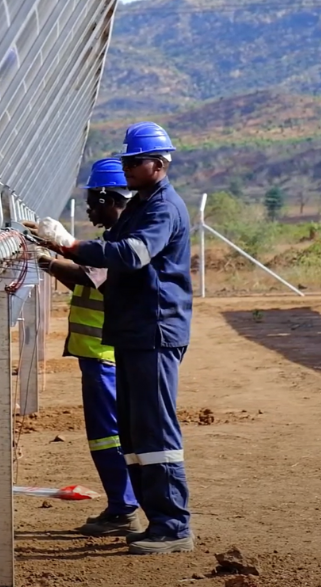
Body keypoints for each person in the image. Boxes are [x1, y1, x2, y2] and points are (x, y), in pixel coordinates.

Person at [42, 122, 194, 555]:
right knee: (134, 431)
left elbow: (130, 256)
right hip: (133, 333)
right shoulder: (144, 205)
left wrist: (70, 246)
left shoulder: (163, 209)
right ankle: (156, 520)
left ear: (159, 164)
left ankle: (173, 524)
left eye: (135, 161)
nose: (128, 167)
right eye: (126, 161)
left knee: (155, 431)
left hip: (154, 332)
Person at [34, 158, 141, 537]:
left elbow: (90, 276)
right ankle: (123, 504)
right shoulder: (121, 237)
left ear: (108, 197)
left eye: (93, 202)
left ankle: (123, 507)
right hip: (100, 352)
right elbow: (85, 282)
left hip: (103, 354)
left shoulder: (119, 242)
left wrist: (47, 258)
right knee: (110, 432)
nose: (91, 211)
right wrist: (51, 259)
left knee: (107, 434)